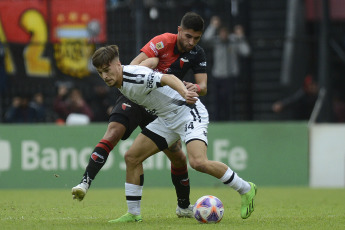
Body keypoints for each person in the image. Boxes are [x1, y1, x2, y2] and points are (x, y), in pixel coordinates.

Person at [92, 45, 256, 223]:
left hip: (188, 112)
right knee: (132, 157)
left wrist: (185, 92)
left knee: (198, 162)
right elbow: (152, 63)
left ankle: (246, 189)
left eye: (107, 70)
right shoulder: (121, 80)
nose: (105, 76)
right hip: (167, 119)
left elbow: (168, 78)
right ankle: (133, 213)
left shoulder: (134, 76)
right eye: (100, 73)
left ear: (118, 64)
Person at [71, 12, 208, 218]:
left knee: (178, 157)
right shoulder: (162, 42)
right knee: (113, 133)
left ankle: (184, 206)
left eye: (196, 38)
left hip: (162, 105)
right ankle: (85, 182)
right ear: (180, 31)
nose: (191, 42)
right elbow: (135, 65)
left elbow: (203, 87)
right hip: (137, 95)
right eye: (188, 36)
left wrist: (192, 87)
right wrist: (148, 71)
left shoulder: (197, 53)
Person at [203, 16, 251, 120]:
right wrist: (212, 26)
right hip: (218, 75)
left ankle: (229, 119)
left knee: (229, 101)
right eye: (222, 33)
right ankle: (217, 120)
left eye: (225, 33)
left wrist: (241, 37)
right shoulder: (216, 41)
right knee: (217, 101)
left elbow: (246, 52)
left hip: (231, 76)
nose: (223, 35)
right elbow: (205, 40)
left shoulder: (234, 41)